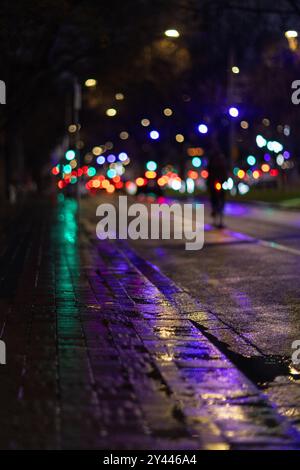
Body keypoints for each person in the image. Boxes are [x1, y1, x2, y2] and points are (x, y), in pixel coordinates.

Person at [207, 140, 228, 228]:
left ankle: (219, 216)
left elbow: (224, 171)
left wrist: (225, 180)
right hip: (214, 181)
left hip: (220, 181)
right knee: (213, 197)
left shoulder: (221, 159)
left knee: (222, 197)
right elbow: (209, 172)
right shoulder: (212, 159)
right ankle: (214, 211)